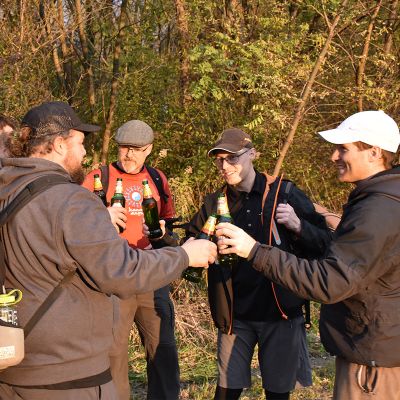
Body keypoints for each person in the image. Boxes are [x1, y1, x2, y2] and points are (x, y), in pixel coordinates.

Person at [0, 101, 216, 400]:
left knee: (162, 348)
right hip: (67, 375)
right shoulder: (73, 198)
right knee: (116, 355)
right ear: (60, 144)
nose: (86, 152)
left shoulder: (7, 190)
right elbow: (120, 270)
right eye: (80, 142)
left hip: (16, 361)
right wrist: (185, 256)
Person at [216, 111, 400, 400]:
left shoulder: (376, 209)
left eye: (343, 148)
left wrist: (257, 248)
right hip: (368, 347)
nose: (333, 157)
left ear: (374, 153)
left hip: (372, 357)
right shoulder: (377, 200)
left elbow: (330, 278)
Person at [185, 128, 332, 400]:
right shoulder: (214, 204)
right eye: (219, 160)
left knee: (277, 394)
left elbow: (324, 245)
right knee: (226, 393)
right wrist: (165, 241)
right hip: (234, 317)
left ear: (253, 154)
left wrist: (299, 226)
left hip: (281, 314)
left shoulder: (285, 193)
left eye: (232, 158)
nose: (225, 166)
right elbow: (189, 247)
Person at [83, 120, 180, 400]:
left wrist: (164, 235)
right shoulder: (98, 177)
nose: (129, 155)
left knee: (162, 348)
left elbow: (168, 224)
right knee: (114, 352)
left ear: (149, 149)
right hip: (114, 276)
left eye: (136, 149)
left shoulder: (158, 179)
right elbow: (75, 221)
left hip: (152, 273)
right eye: (124, 148)